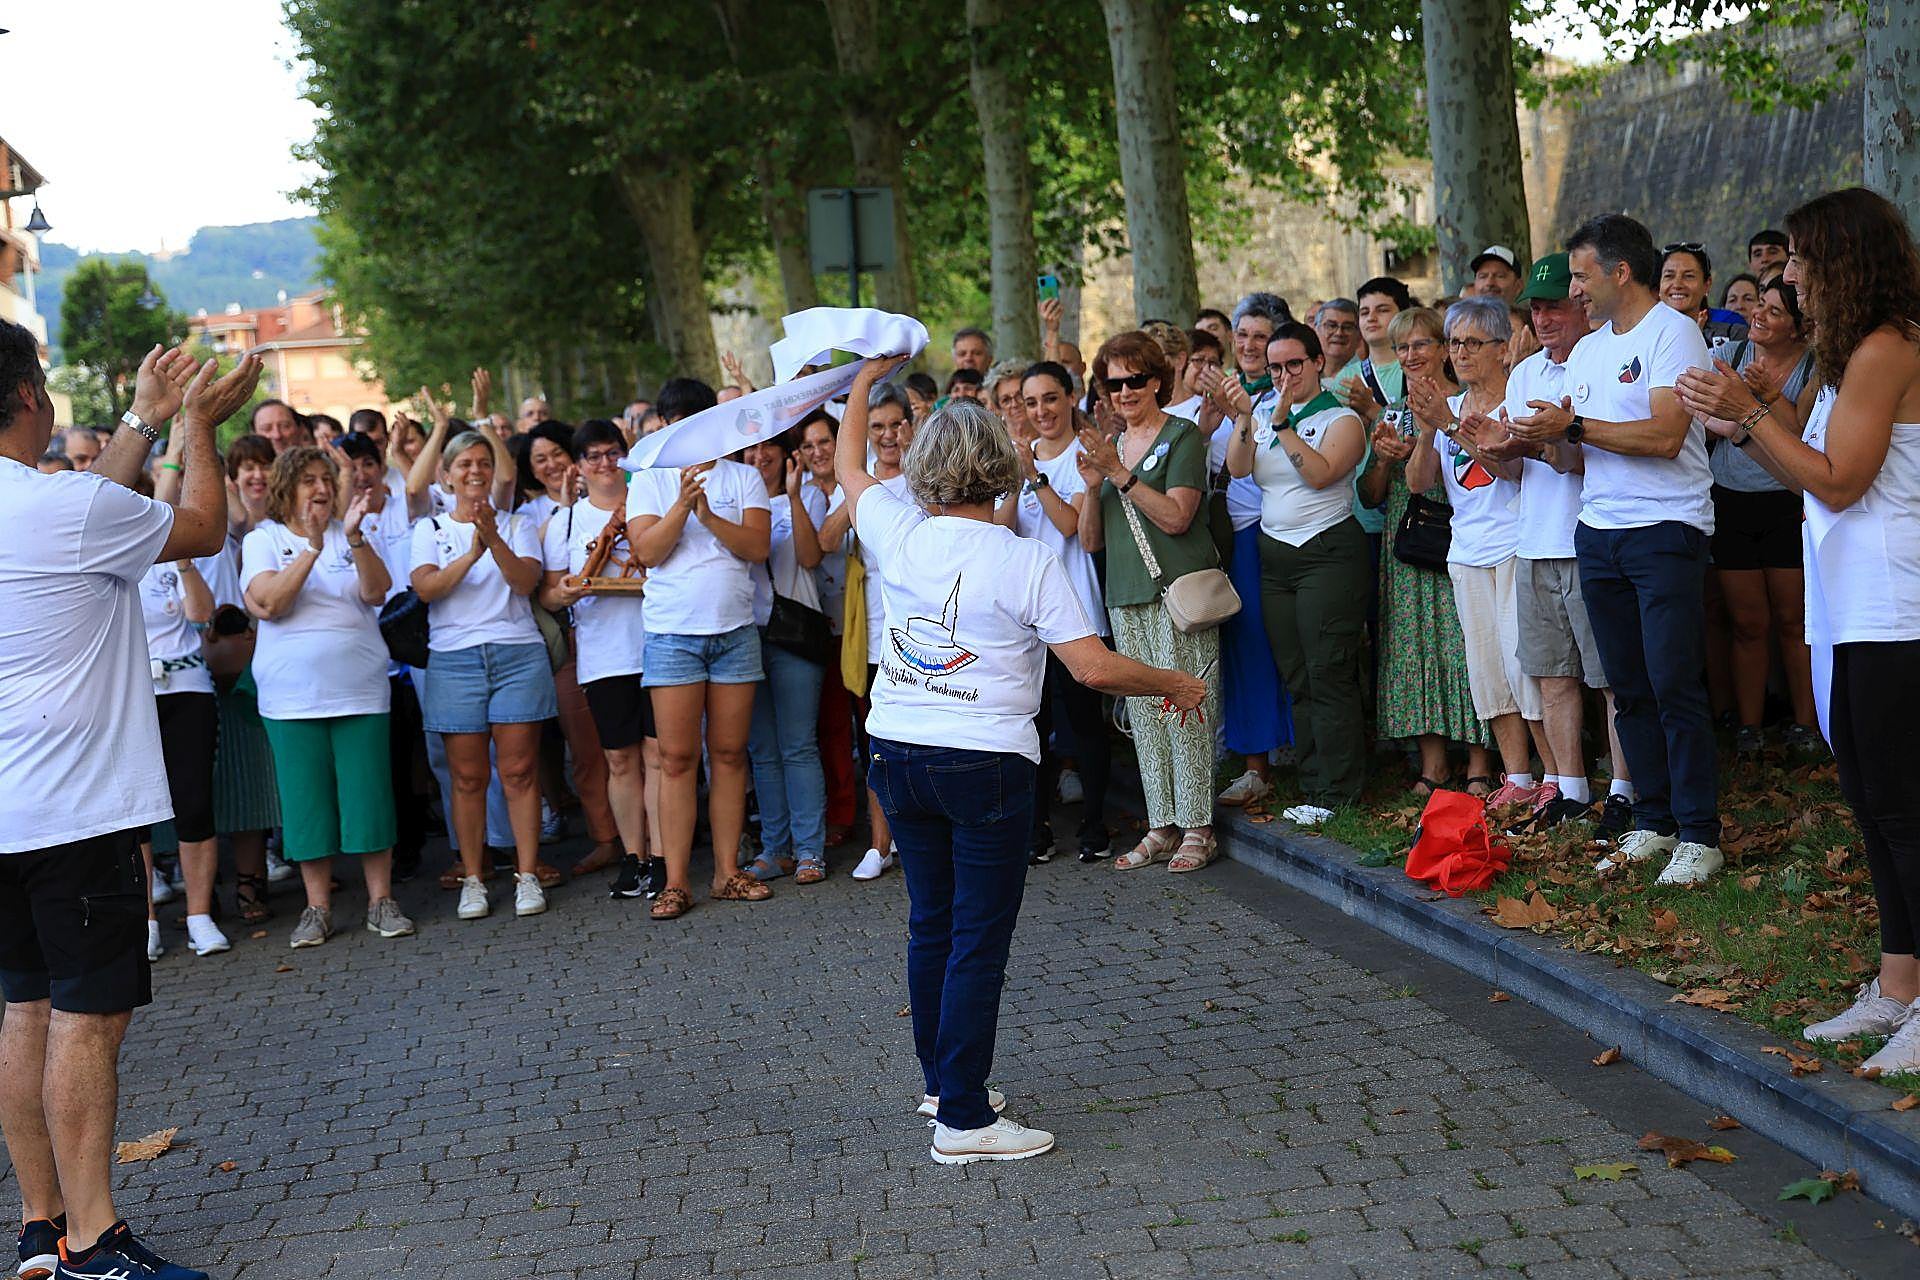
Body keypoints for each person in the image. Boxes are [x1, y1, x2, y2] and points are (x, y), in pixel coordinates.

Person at [835, 354, 1205, 1165]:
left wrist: (862, 384)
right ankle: (964, 1120)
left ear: (927, 470)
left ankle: (944, 1086)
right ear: (1000, 470)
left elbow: (848, 466)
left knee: (932, 922)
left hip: (897, 750)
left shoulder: (896, 530)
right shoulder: (1027, 559)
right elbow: (1095, 668)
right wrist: (1174, 680)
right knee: (977, 937)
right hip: (985, 761)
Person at [0, 331, 260, 1280]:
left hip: (6, 817)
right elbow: (201, 526)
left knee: (22, 1010)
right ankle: (96, 1242)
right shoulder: (64, 508)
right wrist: (195, 422)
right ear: (32, 394)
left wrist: (146, 417)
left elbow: (92, 506)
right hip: (75, 809)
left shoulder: (65, 507)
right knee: (86, 1019)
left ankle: (41, 1231)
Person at [1677, 188, 1920, 1074]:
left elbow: (1841, 480)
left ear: (1847, 261)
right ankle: (1899, 986)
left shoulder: (1889, 348)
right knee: (1873, 801)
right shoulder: (1849, 353)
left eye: (1805, 263)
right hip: (1855, 607)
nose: (1791, 279)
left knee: (1905, 809)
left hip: (1901, 609)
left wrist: (1745, 415)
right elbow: (1801, 468)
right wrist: (1745, 407)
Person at [1510, 213, 1721, 886]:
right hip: (1597, 533)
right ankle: (1653, 821)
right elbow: (1576, 450)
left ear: (1619, 273)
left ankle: (1699, 833)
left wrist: (1573, 425)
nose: (1574, 291)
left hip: (1665, 531)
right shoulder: (1594, 349)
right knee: (1628, 688)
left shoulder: (1674, 333)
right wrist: (1515, 435)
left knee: (1673, 682)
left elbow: (1664, 436)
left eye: (1580, 275)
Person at [1477, 253, 1633, 833]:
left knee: (1610, 676)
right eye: (1536, 308)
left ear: (1579, 305)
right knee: (1552, 674)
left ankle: (1623, 786)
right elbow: (1516, 475)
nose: (1544, 319)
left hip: (1590, 537)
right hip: (1535, 539)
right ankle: (1568, 786)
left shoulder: (1596, 359)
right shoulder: (1525, 374)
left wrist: (1543, 441)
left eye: (1555, 306)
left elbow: (1579, 461)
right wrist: (1491, 448)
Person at [241, 447, 412, 948]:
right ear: (286, 488)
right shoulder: (263, 540)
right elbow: (270, 603)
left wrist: (353, 538)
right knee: (306, 803)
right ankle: (317, 908)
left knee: (369, 797)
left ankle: (381, 900)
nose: (320, 488)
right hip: (292, 699)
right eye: (307, 480)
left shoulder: (351, 533)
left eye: (324, 479)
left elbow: (377, 591)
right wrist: (312, 548)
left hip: (360, 689)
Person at [1075, 331, 1223, 871]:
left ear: (1157, 381)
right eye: (1114, 383)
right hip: (1126, 593)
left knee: (1186, 708)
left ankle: (1198, 828)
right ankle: (1161, 824)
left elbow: (1178, 516)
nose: (1125, 391)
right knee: (1143, 715)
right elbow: (1091, 540)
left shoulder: (1182, 437)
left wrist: (1119, 474)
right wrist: (1094, 486)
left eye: (1136, 379)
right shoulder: (1109, 449)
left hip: (1176, 594)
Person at [626, 378, 773, 920]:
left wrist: (709, 513)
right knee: (677, 758)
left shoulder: (744, 477)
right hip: (672, 636)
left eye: (696, 421)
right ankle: (676, 880)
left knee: (732, 755)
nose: (685, 432)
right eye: (675, 423)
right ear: (664, 426)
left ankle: (727, 872)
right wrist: (683, 507)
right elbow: (646, 552)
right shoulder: (647, 481)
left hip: (734, 633)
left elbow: (757, 548)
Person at [1222, 321, 1369, 820]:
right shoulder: (1265, 412)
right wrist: (1246, 417)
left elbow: (1322, 472)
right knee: (1297, 672)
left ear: (1317, 363)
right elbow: (1239, 468)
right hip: (1276, 554)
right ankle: (1314, 785)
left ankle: (1340, 790)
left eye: (1294, 365)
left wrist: (1283, 426)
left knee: (1329, 669)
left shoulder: (1341, 418)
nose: (1284, 375)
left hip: (1328, 550)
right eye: (1275, 367)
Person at [410, 429, 558, 921]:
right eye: (465, 464)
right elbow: (427, 589)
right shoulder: (428, 531)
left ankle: (528, 873)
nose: (475, 472)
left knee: (518, 771)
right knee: (468, 777)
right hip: (454, 659)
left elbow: (525, 581)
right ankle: (474, 879)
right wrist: (472, 551)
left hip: (517, 654)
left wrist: (491, 537)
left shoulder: (516, 525)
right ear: (445, 476)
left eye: (483, 463)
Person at [1407, 298, 1544, 810]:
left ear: (1500, 348)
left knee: (1524, 665)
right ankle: (1518, 779)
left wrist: (1446, 424)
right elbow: (1419, 485)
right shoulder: (1451, 406)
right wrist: (1428, 430)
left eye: (1472, 343)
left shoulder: (1518, 400)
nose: (1460, 353)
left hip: (1515, 545)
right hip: (1466, 552)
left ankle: (1555, 776)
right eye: (1455, 343)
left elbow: (1510, 469)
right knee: (1488, 671)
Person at [1357, 308, 1494, 794]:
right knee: (1412, 647)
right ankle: (1432, 766)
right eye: (1402, 348)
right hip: (1405, 539)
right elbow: (1371, 496)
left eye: (1421, 345)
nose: (1411, 355)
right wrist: (1382, 460)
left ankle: (1480, 763)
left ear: (1444, 348)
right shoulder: (1390, 411)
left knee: (1464, 646)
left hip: (1456, 534)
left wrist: (1428, 436)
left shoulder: (1464, 404)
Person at [539, 419, 663, 901]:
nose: (606, 464)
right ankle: (633, 855)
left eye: (613, 453)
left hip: (656, 644)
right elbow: (550, 594)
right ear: (578, 466)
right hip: (604, 654)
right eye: (594, 456)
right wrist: (566, 592)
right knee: (619, 758)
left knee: (659, 756)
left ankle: (661, 854)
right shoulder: (566, 522)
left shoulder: (647, 504)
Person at [1701, 279, 1821, 758]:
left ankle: (1807, 724)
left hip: (1786, 501)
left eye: (1773, 311)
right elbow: (1703, 413)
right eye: (1759, 306)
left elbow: (1801, 435)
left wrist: (1769, 397)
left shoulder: (1812, 367)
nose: (1758, 315)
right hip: (1731, 501)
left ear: (1797, 328)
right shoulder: (1728, 355)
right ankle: (1749, 727)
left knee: (1795, 623)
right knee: (1747, 622)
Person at [1008, 361, 1114, 862]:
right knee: (1032, 725)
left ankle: (1096, 825)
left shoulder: (1082, 455)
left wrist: (1036, 480)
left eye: (1050, 398)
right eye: (1031, 402)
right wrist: (1018, 478)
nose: (1041, 411)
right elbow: (1004, 530)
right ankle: (1036, 830)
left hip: (1076, 611)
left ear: (1070, 398)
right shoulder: (1020, 459)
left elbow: (1071, 525)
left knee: (1085, 723)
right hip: (1025, 618)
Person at [741, 428, 830, 883]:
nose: (760, 457)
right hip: (744, 636)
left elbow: (811, 557)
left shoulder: (810, 495)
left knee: (797, 745)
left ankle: (811, 850)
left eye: (768, 449)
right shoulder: (732, 500)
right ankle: (776, 849)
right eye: (752, 449)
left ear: (784, 454)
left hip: (794, 635)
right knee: (762, 750)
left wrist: (792, 497)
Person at [137, 544, 229, 960]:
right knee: (134, 811)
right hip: (131, 693)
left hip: (188, 687)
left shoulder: (171, 558)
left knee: (194, 802)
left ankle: (199, 916)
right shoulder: (111, 557)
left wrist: (184, 562)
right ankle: (146, 922)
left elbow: (201, 614)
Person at [797, 412, 858, 846]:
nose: (817, 451)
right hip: (816, 627)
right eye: (808, 445)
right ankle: (840, 814)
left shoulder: (859, 484)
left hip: (861, 624)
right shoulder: (793, 495)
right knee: (832, 729)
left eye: (824, 442)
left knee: (870, 723)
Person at [1660, 243, 1748, 347]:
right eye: (1669, 276)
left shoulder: (1731, 331)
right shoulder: (1644, 332)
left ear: (1707, 284)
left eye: (1689, 276)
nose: (1677, 284)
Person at [985, 358, 1035, 441]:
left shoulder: (1052, 438)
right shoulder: (993, 445)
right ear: (998, 407)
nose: (1014, 404)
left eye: (1020, 395)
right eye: (1006, 400)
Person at [1313, 299, 1361, 372]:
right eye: (1331, 326)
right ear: (1316, 330)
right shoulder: (1304, 372)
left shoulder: (1369, 376)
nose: (1339, 333)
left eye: (1347, 327)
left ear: (1359, 335)